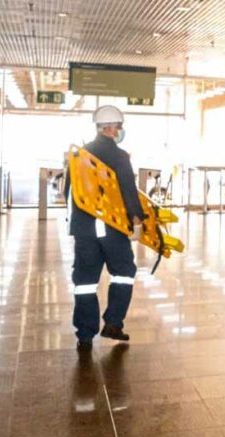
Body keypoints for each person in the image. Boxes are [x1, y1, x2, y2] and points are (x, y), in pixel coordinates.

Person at [67, 105, 144, 352]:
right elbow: (127, 191)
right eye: (119, 126)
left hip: (84, 227)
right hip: (110, 225)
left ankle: (85, 334)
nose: (120, 131)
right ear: (110, 128)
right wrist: (137, 218)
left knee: (85, 281)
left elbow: (70, 190)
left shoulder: (79, 154)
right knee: (124, 271)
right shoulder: (119, 156)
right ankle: (112, 322)